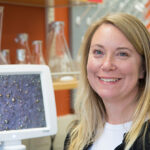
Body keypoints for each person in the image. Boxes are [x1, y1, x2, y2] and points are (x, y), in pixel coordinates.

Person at [64, 12, 150, 150]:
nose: (107, 65)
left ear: (143, 68)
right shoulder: (76, 136)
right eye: (98, 52)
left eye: (122, 54)